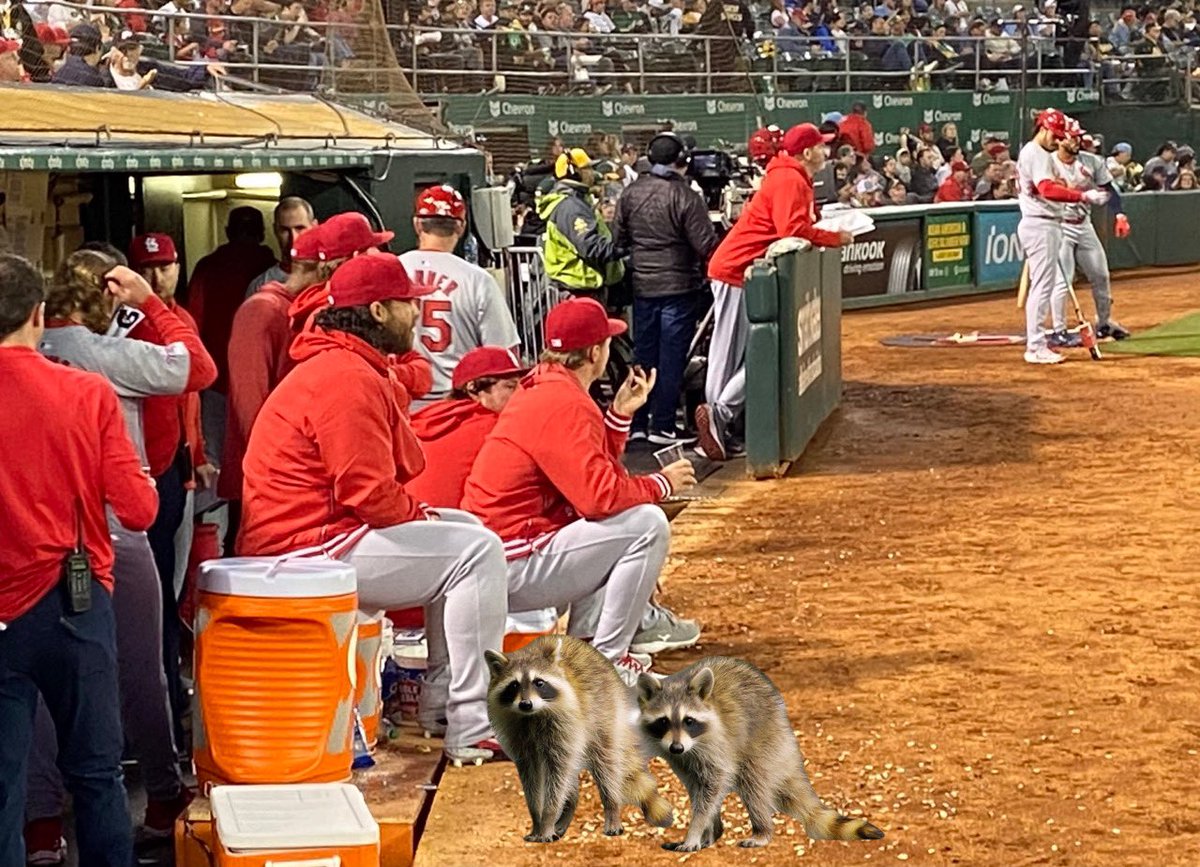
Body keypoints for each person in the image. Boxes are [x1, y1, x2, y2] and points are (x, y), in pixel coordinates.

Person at [237, 255, 508, 764]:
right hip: (301, 550)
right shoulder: (343, 374)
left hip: (318, 534)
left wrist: (419, 513)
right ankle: (472, 723)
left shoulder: (350, 366)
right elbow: (370, 493)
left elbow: (387, 479)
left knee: (467, 532)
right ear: (379, 311)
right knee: (476, 551)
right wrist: (416, 513)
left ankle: (444, 705)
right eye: (409, 304)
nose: (418, 315)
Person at [32, 249, 213, 855]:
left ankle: (40, 823)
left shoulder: (26, 355)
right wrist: (153, 303)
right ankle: (161, 795)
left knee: (28, 686)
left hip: (26, 536)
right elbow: (199, 368)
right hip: (104, 533)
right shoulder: (101, 355)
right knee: (136, 671)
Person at [0, 254, 157, 867]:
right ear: (39, 315)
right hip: (73, 603)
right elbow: (140, 510)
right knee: (96, 775)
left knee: (5, 784)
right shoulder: (84, 392)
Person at [462, 297, 699, 684]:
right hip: (510, 562)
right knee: (646, 523)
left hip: (499, 553)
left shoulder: (544, 385)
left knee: (608, 527)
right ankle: (606, 663)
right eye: (606, 342)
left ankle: (585, 653)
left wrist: (619, 415)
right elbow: (598, 497)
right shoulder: (562, 400)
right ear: (594, 351)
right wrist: (660, 483)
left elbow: (587, 471)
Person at [697, 123, 853, 462]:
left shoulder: (793, 176)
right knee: (728, 356)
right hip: (734, 270)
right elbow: (790, 230)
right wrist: (832, 238)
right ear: (807, 151)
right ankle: (715, 419)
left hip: (743, 270)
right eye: (821, 146)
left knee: (740, 355)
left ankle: (720, 419)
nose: (826, 151)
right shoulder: (788, 179)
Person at [219, 222, 326, 552]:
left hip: (286, 480)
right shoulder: (262, 311)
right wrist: (273, 474)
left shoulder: (296, 312)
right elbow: (248, 406)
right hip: (263, 481)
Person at [613, 132, 719, 446]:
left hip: (644, 288)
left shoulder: (630, 193)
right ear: (681, 162)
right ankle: (663, 425)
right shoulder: (685, 195)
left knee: (644, 356)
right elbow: (705, 245)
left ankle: (635, 424)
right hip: (678, 289)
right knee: (671, 357)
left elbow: (619, 241)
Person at [398, 185, 520, 411]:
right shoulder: (477, 279)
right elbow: (504, 352)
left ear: (417, 224)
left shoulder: (394, 269)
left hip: (401, 400)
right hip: (457, 403)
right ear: (461, 227)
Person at [1016, 108, 1109, 365]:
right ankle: (1035, 346)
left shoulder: (1037, 153)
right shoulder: (1035, 153)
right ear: (1043, 129)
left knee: (1043, 285)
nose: (1057, 141)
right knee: (1043, 287)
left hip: (1046, 224)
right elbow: (1046, 189)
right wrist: (1082, 196)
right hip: (1040, 224)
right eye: (1055, 135)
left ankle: (1037, 343)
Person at [408, 346, 528, 510]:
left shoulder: (425, 418)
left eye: (523, 386)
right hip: (458, 529)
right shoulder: (494, 425)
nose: (521, 393)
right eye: (510, 386)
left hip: (402, 526)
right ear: (473, 389)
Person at [1045, 119, 1132, 345]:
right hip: (1059, 225)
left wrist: (1119, 215)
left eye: (1077, 136)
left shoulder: (1091, 161)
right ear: (1060, 138)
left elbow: (1109, 190)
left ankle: (1104, 323)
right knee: (1062, 281)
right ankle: (1059, 330)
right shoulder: (1047, 163)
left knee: (1101, 275)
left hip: (1084, 225)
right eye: (1071, 137)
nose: (1076, 140)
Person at [536, 147, 626, 302]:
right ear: (575, 172)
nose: (592, 172)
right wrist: (625, 246)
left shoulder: (576, 202)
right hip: (579, 293)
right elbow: (590, 247)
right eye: (587, 168)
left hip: (583, 289)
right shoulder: (571, 207)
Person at [246, 197, 318, 296]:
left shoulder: (329, 278)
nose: (294, 238)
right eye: (284, 230)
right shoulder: (260, 286)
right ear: (275, 230)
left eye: (300, 228)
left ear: (314, 227)